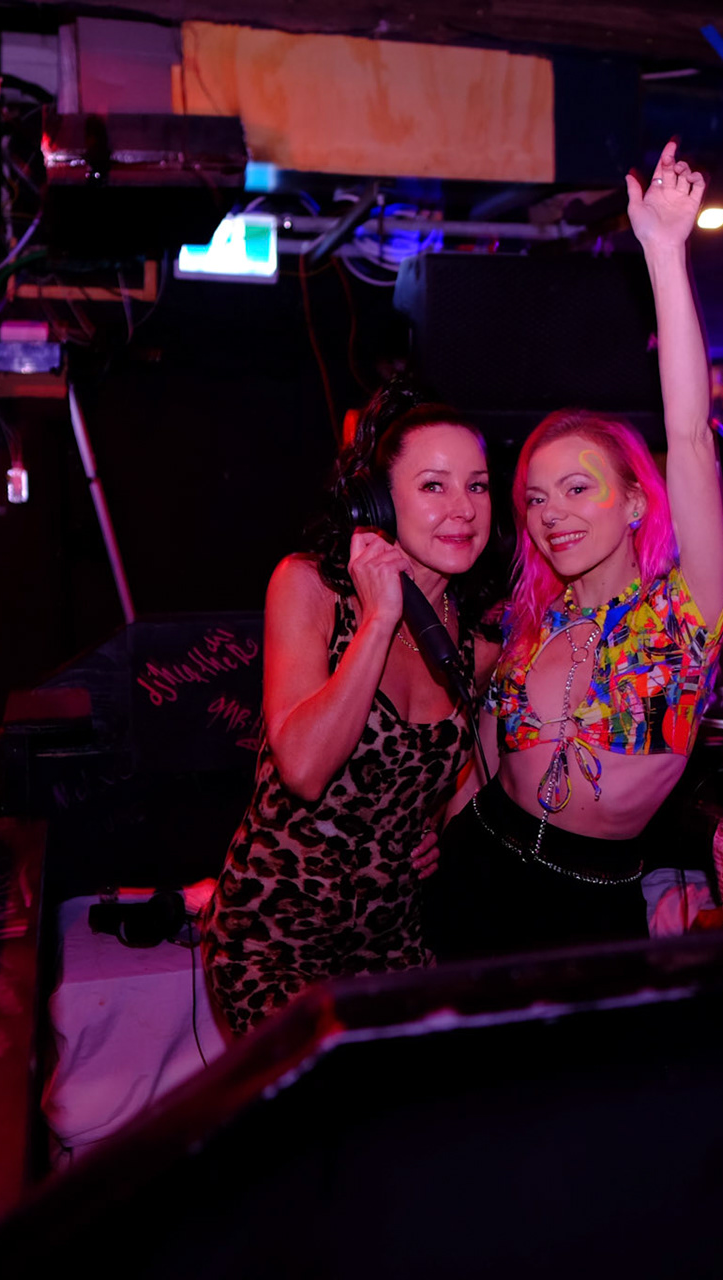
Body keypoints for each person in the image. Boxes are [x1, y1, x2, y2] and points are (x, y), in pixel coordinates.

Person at [425, 142, 723, 958]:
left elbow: (689, 437)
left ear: (634, 500)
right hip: (476, 874)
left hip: (590, 908)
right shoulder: (529, 620)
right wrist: (442, 830)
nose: (550, 514)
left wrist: (664, 252)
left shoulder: (685, 616)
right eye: (535, 497)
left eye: (575, 488)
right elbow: (486, 753)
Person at [202, 383, 505, 1035]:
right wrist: (379, 620)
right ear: (379, 503)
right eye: (434, 485)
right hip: (274, 940)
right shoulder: (309, 588)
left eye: (477, 486)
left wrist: (429, 825)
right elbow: (304, 768)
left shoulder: (477, 646)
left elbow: (458, 772)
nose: (463, 508)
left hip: (392, 942)